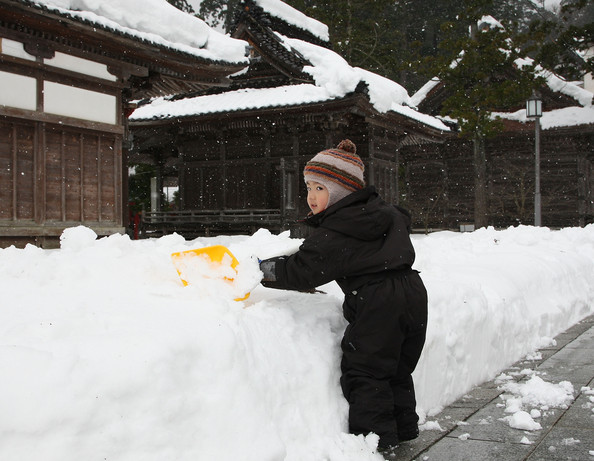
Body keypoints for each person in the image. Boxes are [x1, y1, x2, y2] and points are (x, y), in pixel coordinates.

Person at [259, 139, 428, 452]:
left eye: (320, 188)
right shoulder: (379, 214)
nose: (311, 196)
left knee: (366, 370)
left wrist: (261, 271)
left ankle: (373, 442)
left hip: (378, 300)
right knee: (395, 367)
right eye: (308, 187)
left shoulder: (341, 227)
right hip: (412, 290)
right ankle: (403, 428)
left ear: (341, 191)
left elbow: (303, 269)